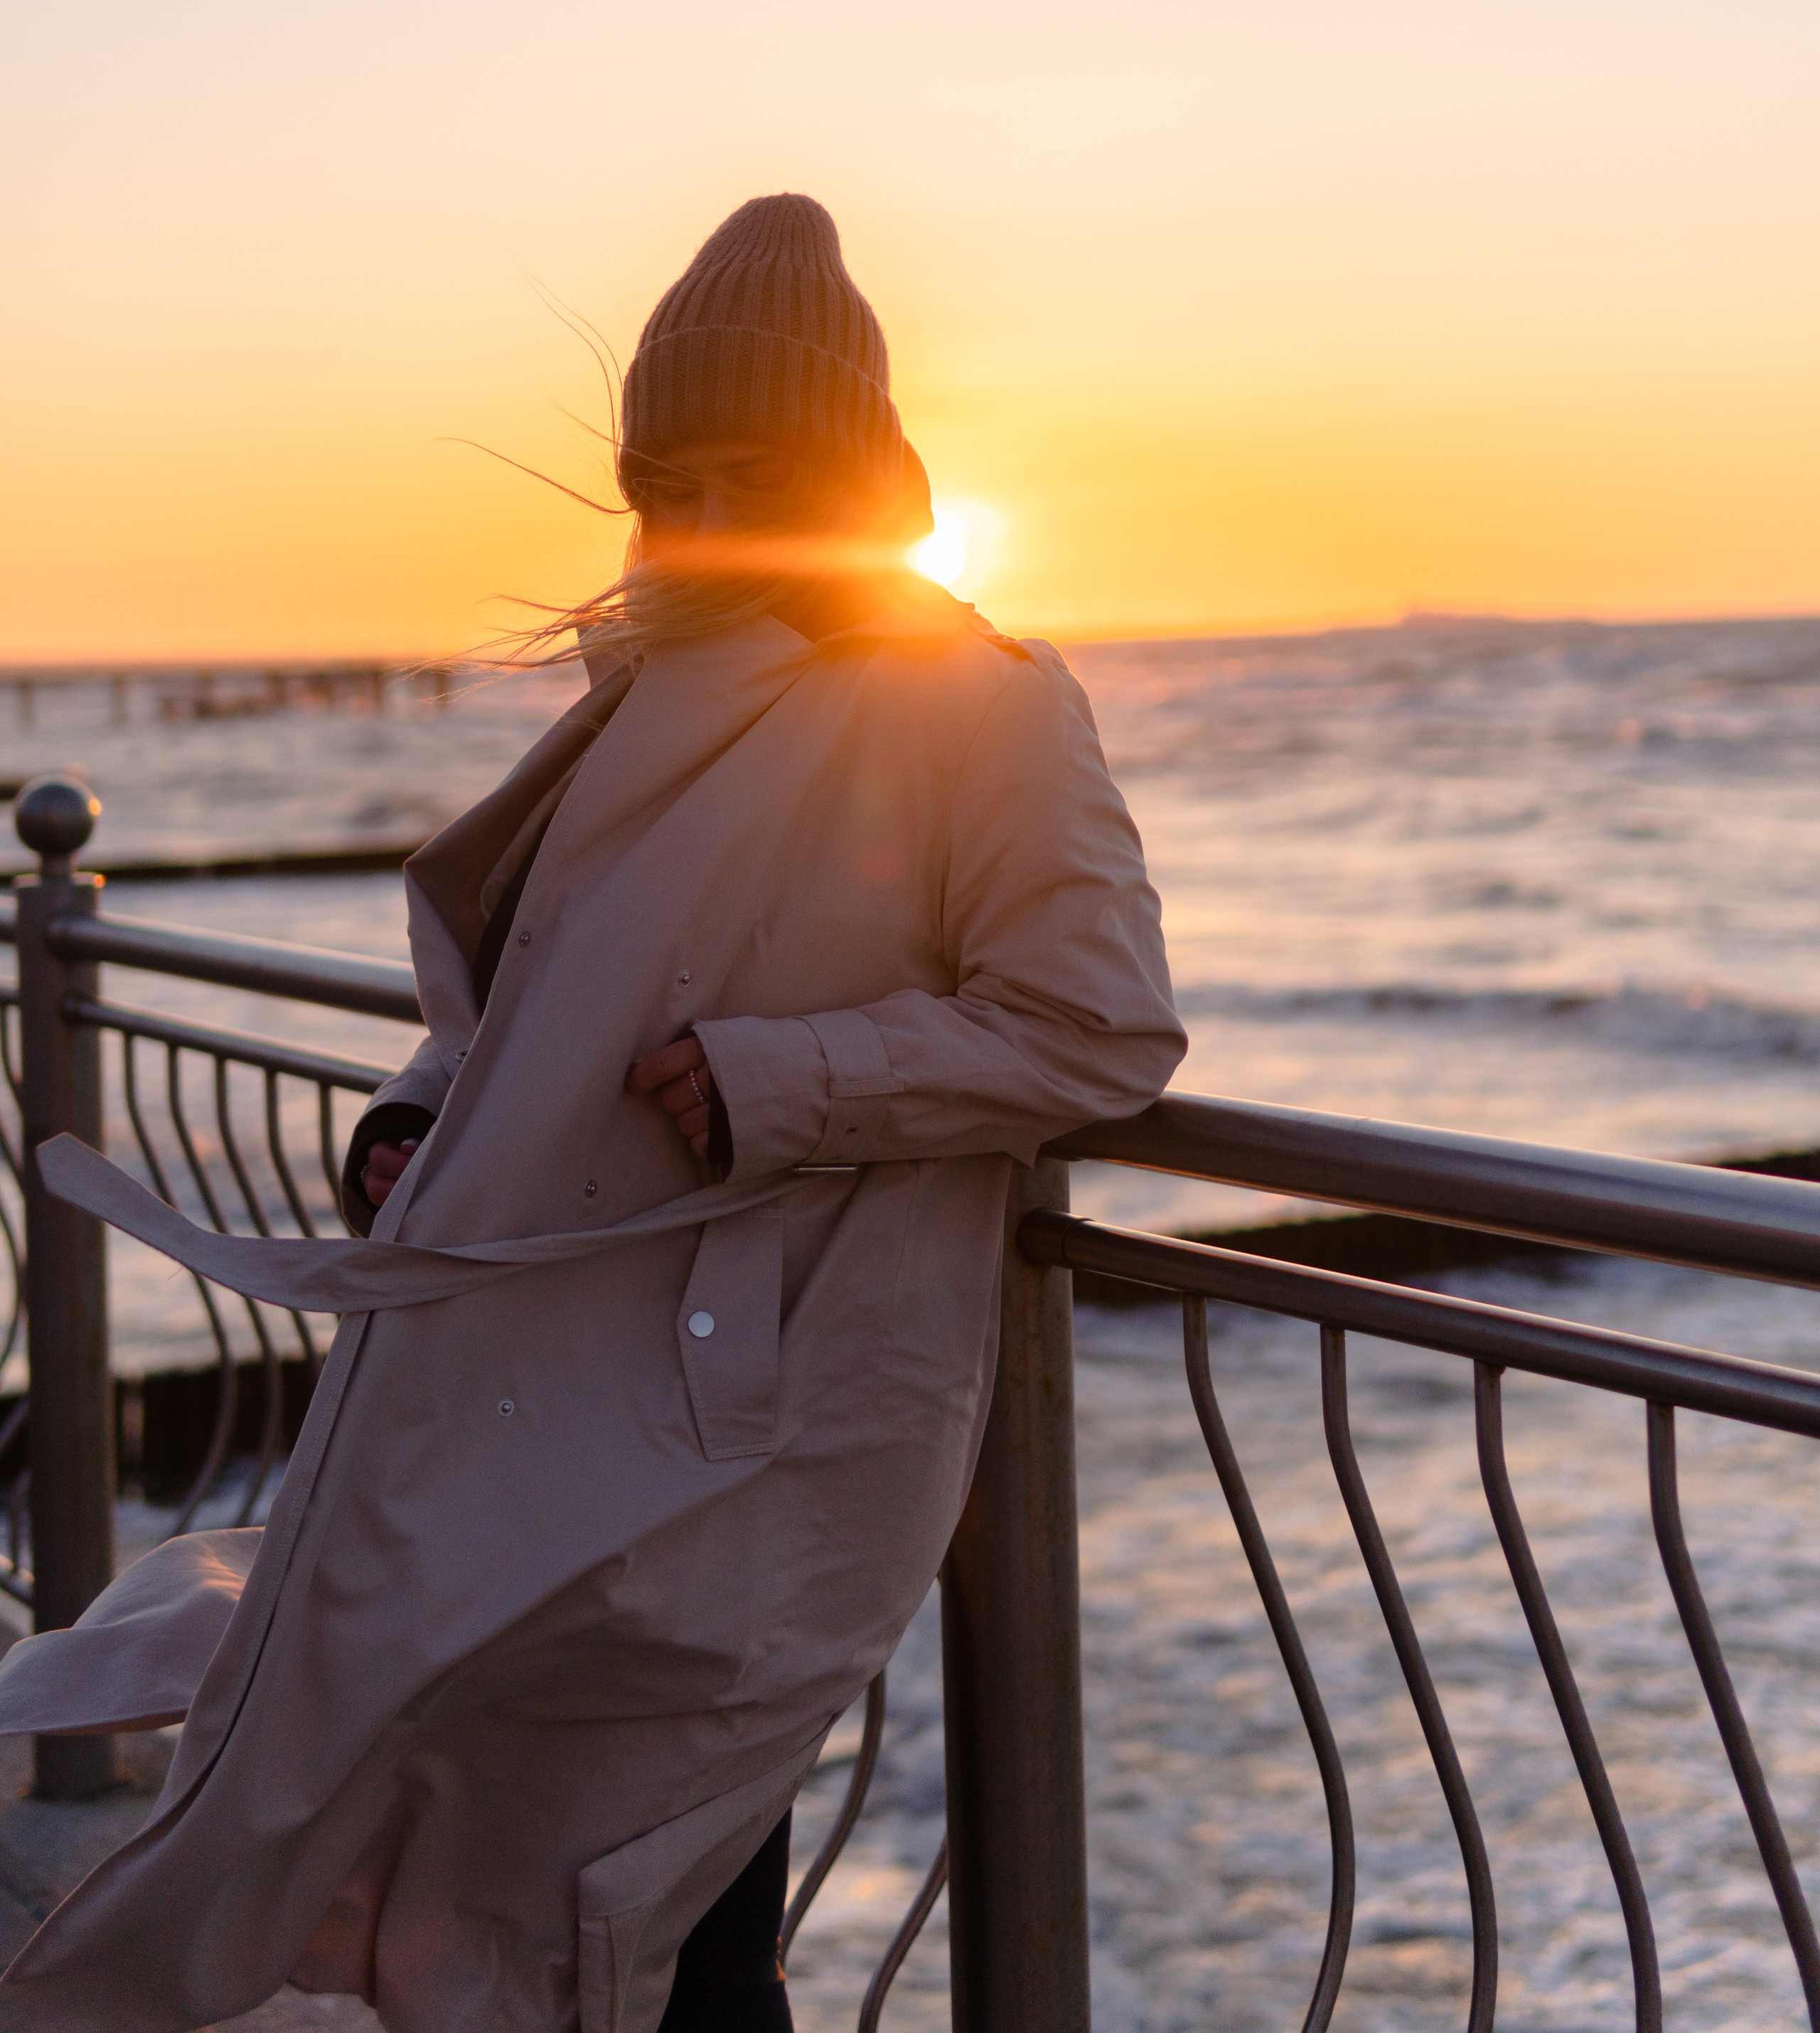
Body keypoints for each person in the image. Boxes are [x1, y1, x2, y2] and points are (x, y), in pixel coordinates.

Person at [0, 194, 1184, 2033]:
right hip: (538, 1368)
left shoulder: (983, 709)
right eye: (671, 481)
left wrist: (778, 1087)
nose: (703, 524)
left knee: (647, 1888)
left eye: (748, 475)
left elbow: (1101, 1027)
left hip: (746, 1410)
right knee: (524, 1856)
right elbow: (520, 1003)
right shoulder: (646, 692)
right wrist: (412, 1120)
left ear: (849, 482)